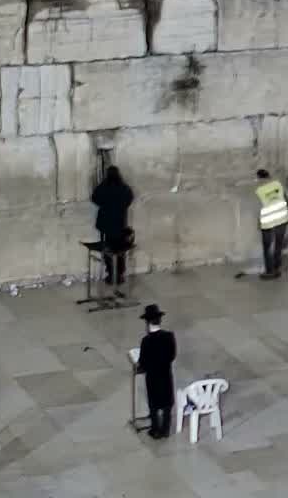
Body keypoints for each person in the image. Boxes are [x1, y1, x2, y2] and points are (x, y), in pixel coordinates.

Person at [136, 305, 178, 439]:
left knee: (154, 404)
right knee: (166, 403)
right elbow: (172, 355)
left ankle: (155, 429)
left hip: (153, 377)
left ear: (147, 322)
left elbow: (143, 362)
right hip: (165, 375)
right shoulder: (169, 336)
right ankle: (165, 429)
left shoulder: (146, 341)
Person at [91, 166, 134, 289]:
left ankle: (111, 274)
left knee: (108, 250)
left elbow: (95, 198)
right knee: (120, 250)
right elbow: (129, 198)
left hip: (106, 226)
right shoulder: (124, 188)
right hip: (120, 225)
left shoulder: (103, 187)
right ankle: (119, 275)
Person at [254, 169, 288, 279]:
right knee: (278, 244)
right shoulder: (278, 184)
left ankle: (270, 271)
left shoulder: (259, 190)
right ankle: (277, 267)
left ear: (260, 178)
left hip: (268, 221)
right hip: (282, 219)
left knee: (267, 247)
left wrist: (258, 222)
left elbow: (260, 207)